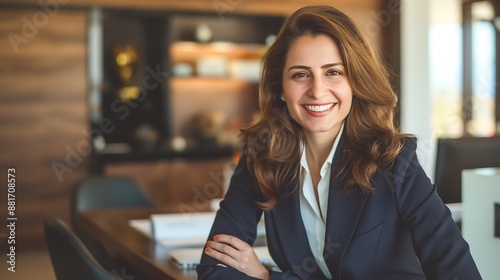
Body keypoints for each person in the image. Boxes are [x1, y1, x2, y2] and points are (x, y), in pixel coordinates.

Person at [197, 5, 481, 280]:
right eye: (300, 74)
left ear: (355, 82)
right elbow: (214, 270)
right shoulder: (260, 157)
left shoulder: (394, 160)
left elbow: (458, 271)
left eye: (333, 72)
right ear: (279, 87)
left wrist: (269, 277)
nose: (317, 91)